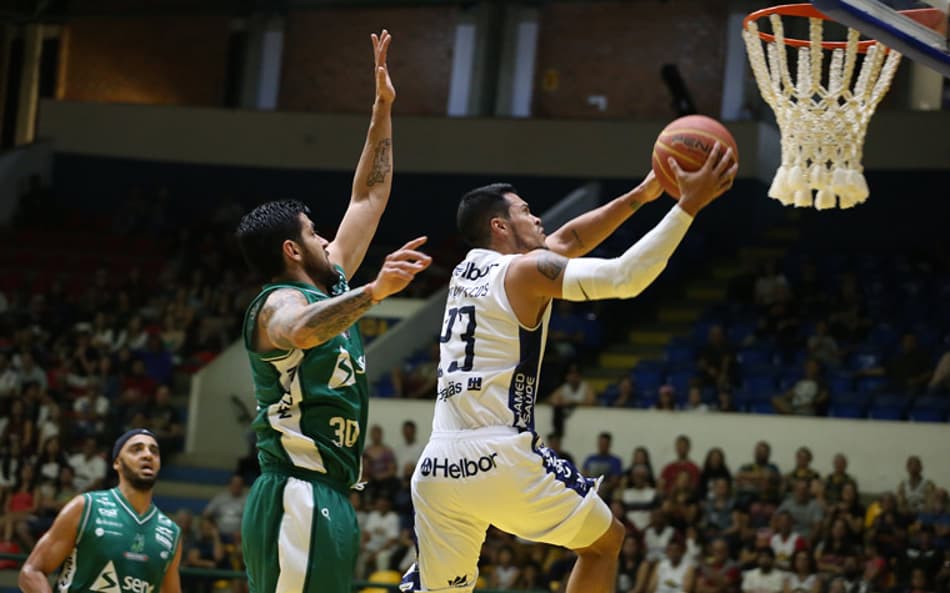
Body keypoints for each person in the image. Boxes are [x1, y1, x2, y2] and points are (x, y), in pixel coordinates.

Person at [407, 143, 736, 592]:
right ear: (500, 225)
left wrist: (640, 194)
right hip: (499, 455)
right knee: (605, 542)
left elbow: (567, 242)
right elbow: (625, 277)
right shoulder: (522, 273)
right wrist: (687, 206)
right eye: (527, 211)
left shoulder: (468, 269)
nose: (538, 218)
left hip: (437, 466)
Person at [235, 30, 431, 593]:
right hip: (295, 488)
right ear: (291, 250)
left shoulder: (330, 282)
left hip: (330, 491)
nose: (328, 240)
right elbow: (296, 331)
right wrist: (374, 292)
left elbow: (368, 196)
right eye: (315, 234)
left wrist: (383, 108)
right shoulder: (278, 303)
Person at [18, 429, 183, 593]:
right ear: (117, 463)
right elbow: (31, 572)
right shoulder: (85, 507)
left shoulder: (171, 532)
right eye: (137, 449)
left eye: (154, 451)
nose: (148, 455)